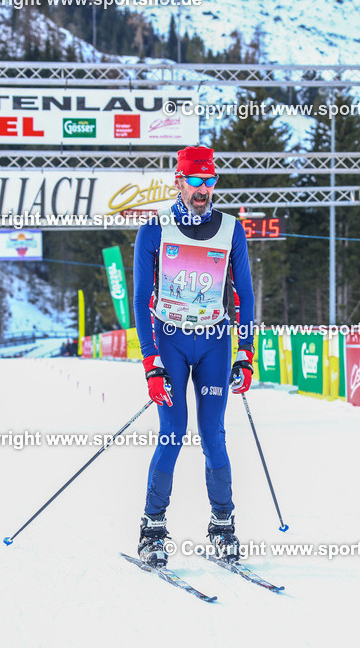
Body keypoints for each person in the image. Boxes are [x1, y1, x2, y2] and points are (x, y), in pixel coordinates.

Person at [132, 145, 255, 567]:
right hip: (170, 339)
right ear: (178, 181)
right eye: (195, 181)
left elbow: (245, 294)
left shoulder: (230, 228)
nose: (203, 190)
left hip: (215, 341)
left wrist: (247, 352)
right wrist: (151, 362)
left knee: (213, 433)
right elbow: (139, 299)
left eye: (210, 181)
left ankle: (223, 525)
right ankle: (152, 528)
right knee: (173, 430)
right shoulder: (154, 228)